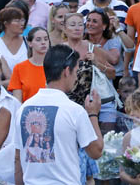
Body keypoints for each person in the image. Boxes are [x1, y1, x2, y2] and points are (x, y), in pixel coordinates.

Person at [14, 44, 104, 185]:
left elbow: (18, 158)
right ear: (67, 71)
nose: (76, 77)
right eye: (76, 71)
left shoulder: (23, 109)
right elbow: (96, 151)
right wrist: (93, 114)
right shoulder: (74, 110)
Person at [9, 26, 49, 102]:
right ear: (29, 43)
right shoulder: (19, 68)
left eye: (46, 39)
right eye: (38, 40)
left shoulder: (56, 66)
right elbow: (17, 101)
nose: (43, 42)